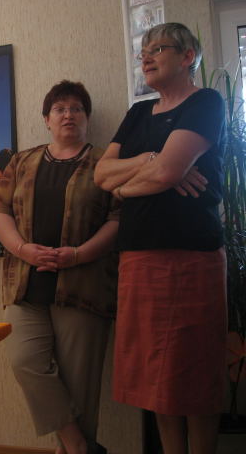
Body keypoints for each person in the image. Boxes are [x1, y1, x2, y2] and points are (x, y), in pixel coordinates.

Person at [94, 23, 226, 454]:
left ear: (188, 57)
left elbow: (167, 173)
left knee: (194, 370)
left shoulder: (206, 102)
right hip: (139, 255)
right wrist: (151, 160)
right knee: (155, 373)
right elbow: (101, 174)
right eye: (143, 51)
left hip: (191, 257)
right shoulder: (137, 113)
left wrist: (127, 187)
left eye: (158, 49)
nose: (146, 57)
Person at [0, 80, 119, 454]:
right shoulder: (22, 161)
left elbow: (118, 219)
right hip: (25, 285)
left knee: (80, 387)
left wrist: (79, 254)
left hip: (84, 287)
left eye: (76, 108)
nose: (68, 115)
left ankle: (75, 449)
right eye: (60, 109)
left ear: (87, 118)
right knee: (25, 363)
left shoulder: (105, 164)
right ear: (47, 119)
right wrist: (22, 249)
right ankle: (80, 446)